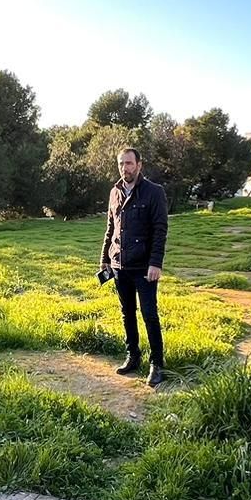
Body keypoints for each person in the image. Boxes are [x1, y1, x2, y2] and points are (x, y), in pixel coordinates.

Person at [100, 147, 169, 387]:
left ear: (139, 165)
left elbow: (160, 230)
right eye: (121, 163)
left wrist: (155, 263)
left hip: (144, 267)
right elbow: (111, 228)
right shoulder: (114, 192)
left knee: (149, 314)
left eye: (129, 163)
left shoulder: (154, 192)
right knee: (126, 312)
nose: (124, 168)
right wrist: (104, 259)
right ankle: (133, 356)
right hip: (119, 265)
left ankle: (157, 364)